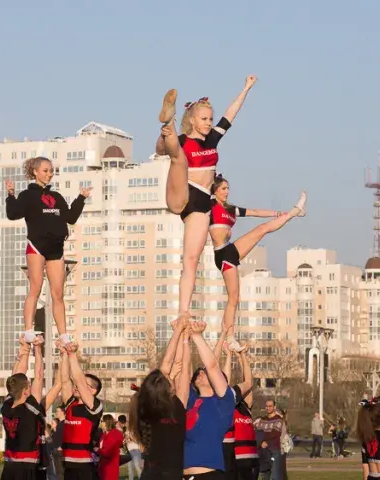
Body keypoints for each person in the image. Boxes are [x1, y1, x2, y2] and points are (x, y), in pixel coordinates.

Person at [155, 77, 257, 316]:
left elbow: (231, 112)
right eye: (204, 119)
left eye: (210, 119)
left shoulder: (213, 139)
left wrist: (246, 88)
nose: (209, 123)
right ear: (191, 120)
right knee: (177, 155)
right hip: (184, 190)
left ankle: (183, 310)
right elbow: (160, 151)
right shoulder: (183, 140)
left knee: (191, 260)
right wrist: (164, 136)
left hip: (200, 200)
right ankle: (166, 122)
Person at [209, 175, 306, 349]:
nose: (227, 191)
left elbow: (255, 212)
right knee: (234, 297)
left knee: (262, 229)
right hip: (222, 254)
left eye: (228, 188)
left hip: (231, 249)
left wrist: (277, 213)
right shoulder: (210, 205)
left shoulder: (231, 209)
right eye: (223, 188)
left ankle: (293, 212)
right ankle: (229, 338)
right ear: (215, 190)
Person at [5, 157, 91, 345]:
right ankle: (28, 330)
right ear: (35, 172)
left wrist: (81, 198)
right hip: (37, 246)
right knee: (35, 287)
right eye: (45, 170)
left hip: (56, 248)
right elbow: (13, 214)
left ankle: (64, 336)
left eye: (51, 170)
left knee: (58, 294)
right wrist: (11, 195)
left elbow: (70, 217)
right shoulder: (28, 196)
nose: (49, 174)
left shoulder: (57, 197)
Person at [128, 315, 191, 480]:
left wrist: (179, 332)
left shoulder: (149, 407)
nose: (169, 375)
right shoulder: (177, 404)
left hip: (152, 472)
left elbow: (168, 363)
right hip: (170, 473)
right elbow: (181, 368)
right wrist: (184, 338)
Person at [184, 319, 237, 479]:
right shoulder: (190, 400)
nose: (200, 372)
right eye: (198, 372)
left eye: (203, 372)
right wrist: (184, 337)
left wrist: (198, 336)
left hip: (209, 475)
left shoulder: (223, 403)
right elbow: (185, 369)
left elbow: (212, 365)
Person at [1, 334, 46, 479]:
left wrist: (24, 349)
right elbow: (39, 375)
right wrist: (38, 349)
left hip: (9, 465)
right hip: (28, 465)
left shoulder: (6, 406)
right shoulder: (30, 408)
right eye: (29, 385)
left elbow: (16, 377)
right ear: (26, 391)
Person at [59, 340, 104, 480]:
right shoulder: (70, 402)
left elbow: (78, 379)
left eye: (85, 385)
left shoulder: (94, 406)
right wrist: (64, 354)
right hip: (68, 464)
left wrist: (73, 354)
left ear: (93, 391)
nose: (78, 387)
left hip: (85, 466)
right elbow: (66, 381)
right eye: (79, 385)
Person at [221, 346, 257, 480]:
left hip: (251, 458)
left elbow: (248, 382)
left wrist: (242, 356)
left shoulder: (246, 406)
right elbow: (224, 383)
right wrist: (229, 356)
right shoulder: (226, 407)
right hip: (234, 458)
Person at [255, 400, 285, 480]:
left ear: (274, 407)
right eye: (267, 406)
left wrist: (265, 441)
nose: (268, 408)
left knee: (275, 475)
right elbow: (258, 432)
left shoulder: (278, 419)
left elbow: (275, 433)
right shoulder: (262, 419)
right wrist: (261, 442)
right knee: (264, 475)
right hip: (263, 451)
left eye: (270, 406)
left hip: (274, 451)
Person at [97, 415, 124, 480]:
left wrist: (98, 450)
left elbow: (108, 452)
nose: (101, 423)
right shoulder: (104, 434)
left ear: (106, 422)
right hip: (103, 465)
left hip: (110, 467)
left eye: (102, 421)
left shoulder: (114, 434)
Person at [117, 415, 142, 480]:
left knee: (137, 467)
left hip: (135, 450)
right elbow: (125, 441)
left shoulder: (131, 428)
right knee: (130, 469)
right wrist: (125, 441)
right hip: (128, 451)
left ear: (120, 422)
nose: (118, 424)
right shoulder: (123, 429)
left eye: (119, 422)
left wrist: (129, 437)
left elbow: (137, 440)